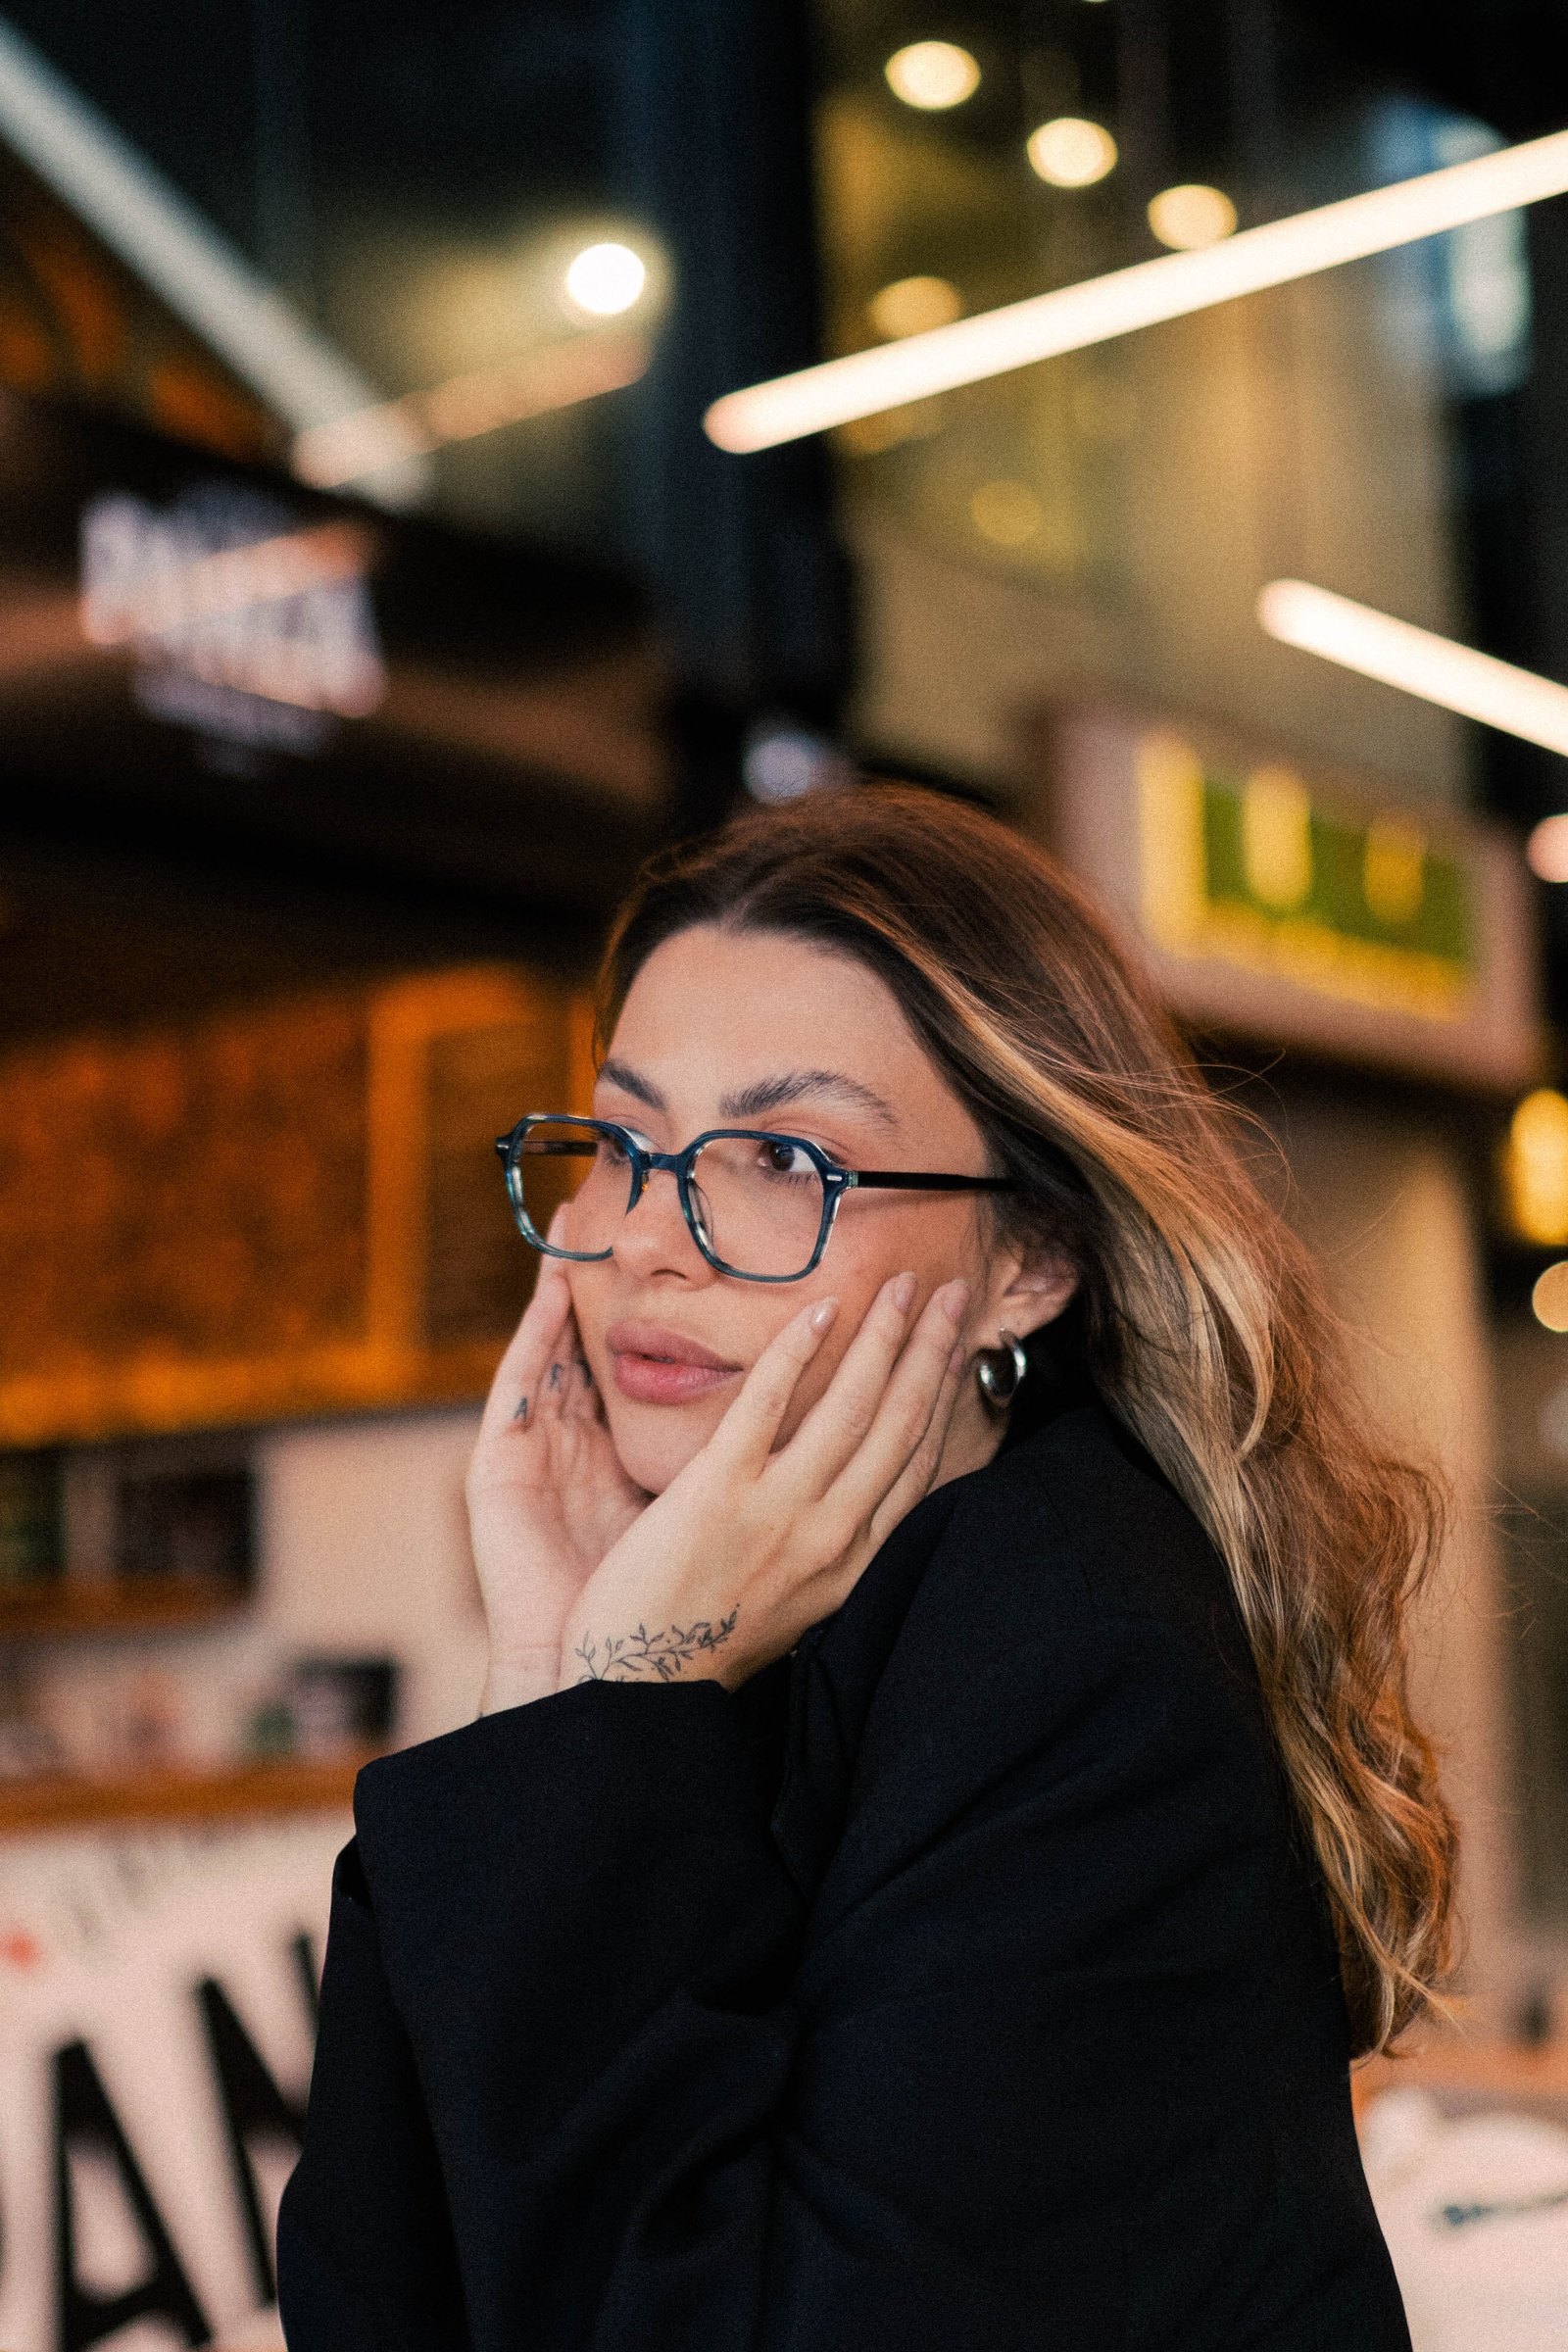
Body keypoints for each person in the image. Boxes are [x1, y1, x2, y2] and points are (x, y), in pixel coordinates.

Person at [278, 784, 1454, 2351]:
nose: (650, 1236)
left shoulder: (1074, 1662)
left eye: (781, 1154)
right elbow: (377, 2304)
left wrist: (622, 1701)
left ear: (1029, 1263)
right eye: (622, 1141)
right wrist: (553, 1681)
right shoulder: (756, 1634)